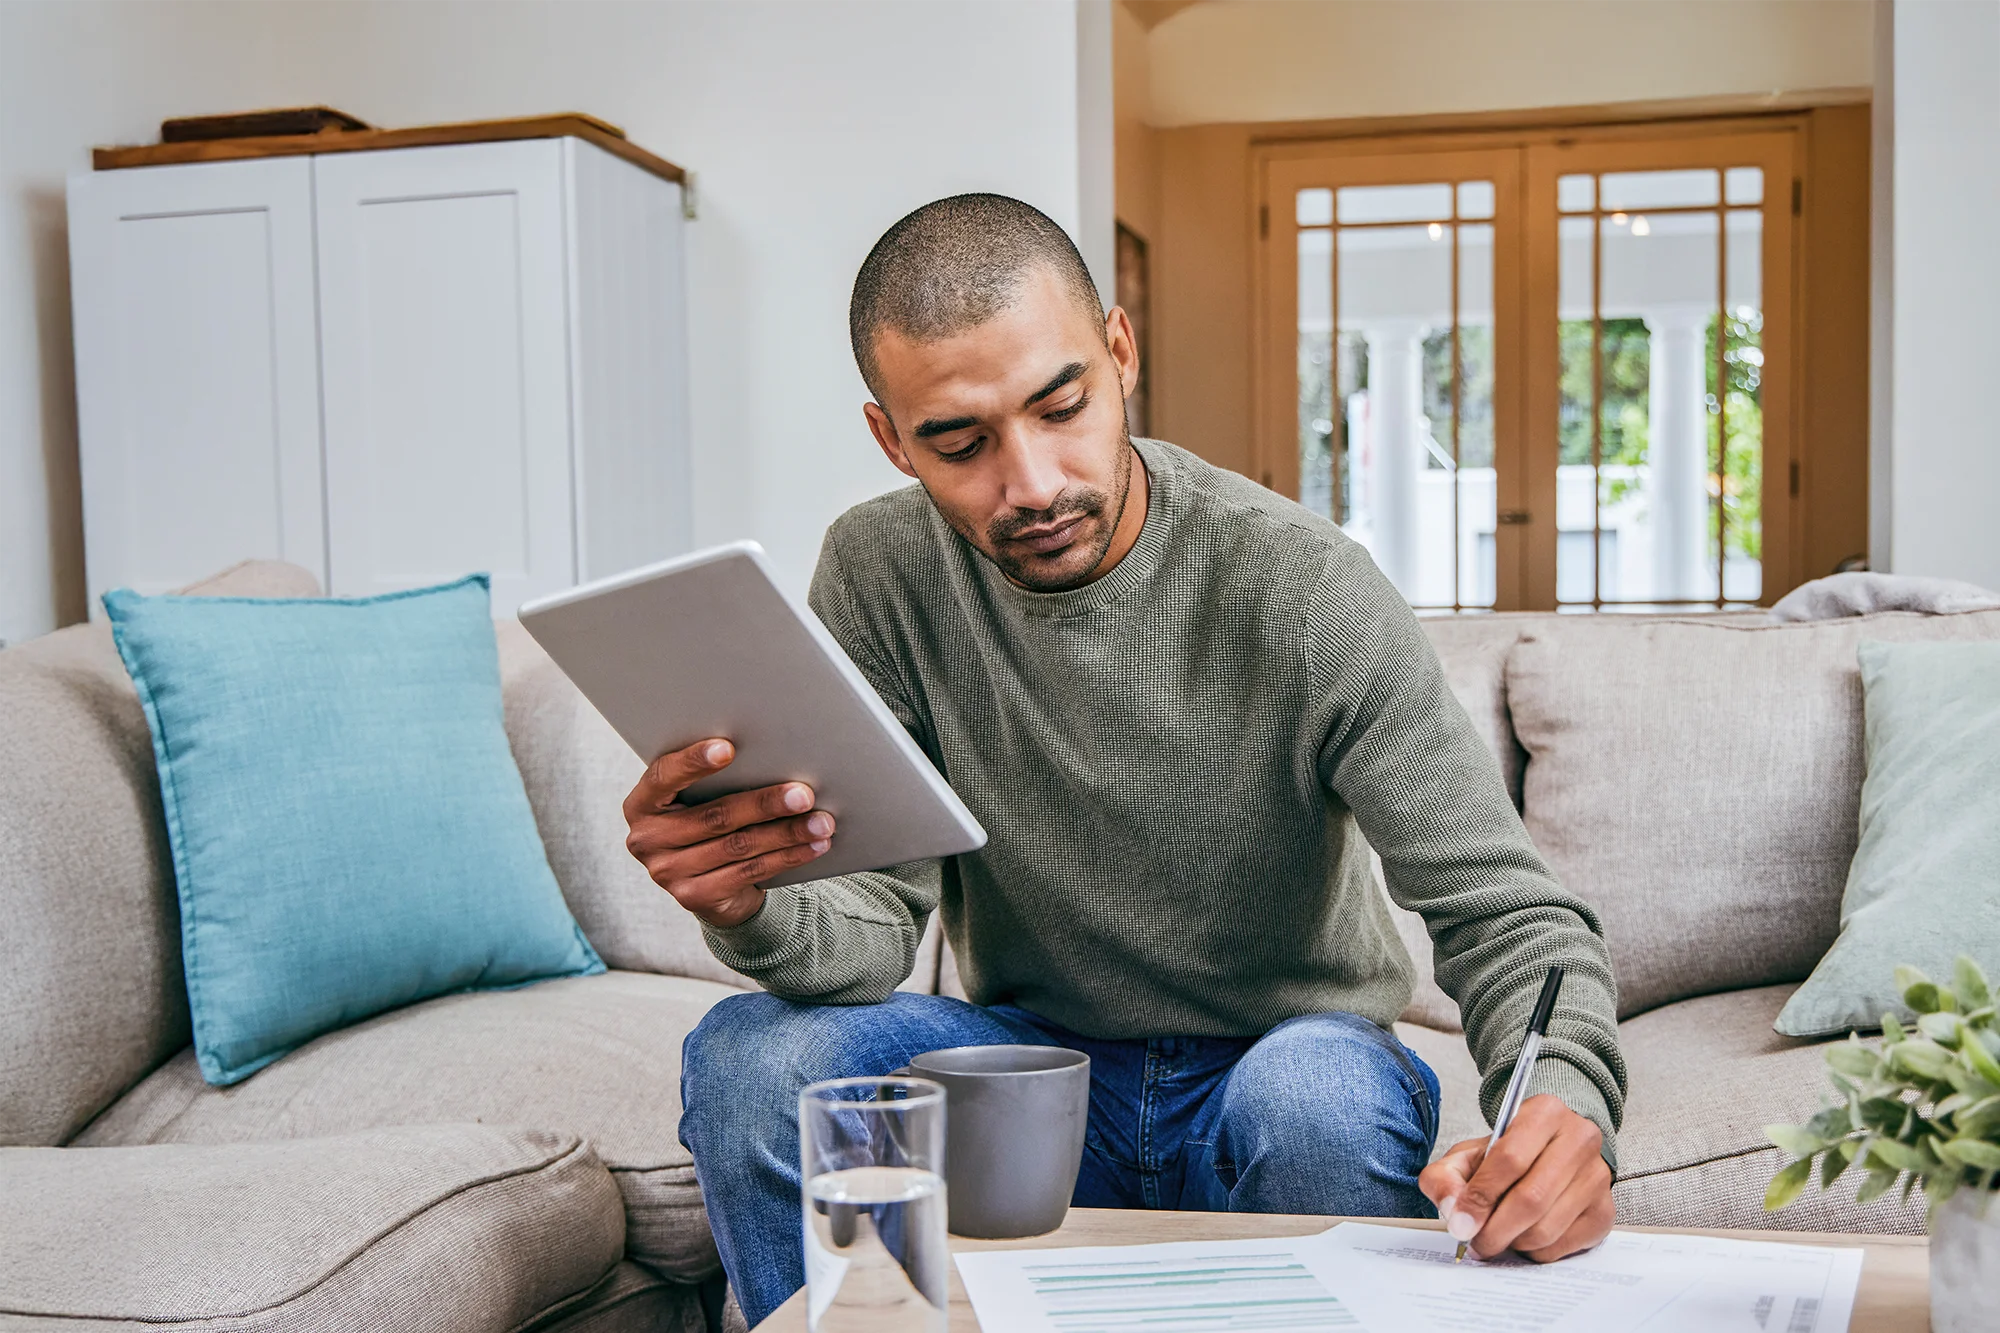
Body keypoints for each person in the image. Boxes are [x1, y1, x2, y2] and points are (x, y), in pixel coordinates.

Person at [624, 193, 1626, 1325]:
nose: (1036, 483)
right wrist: (753, 898)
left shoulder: (1302, 589)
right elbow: (864, 936)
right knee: (752, 1060)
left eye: (1063, 406)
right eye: (959, 442)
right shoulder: (876, 574)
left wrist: (1562, 1103)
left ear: (1118, 352)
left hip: (1279, 1067)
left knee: (1313, 1101)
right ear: (889, 438)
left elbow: (1507, 913)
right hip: (1022, 1085)